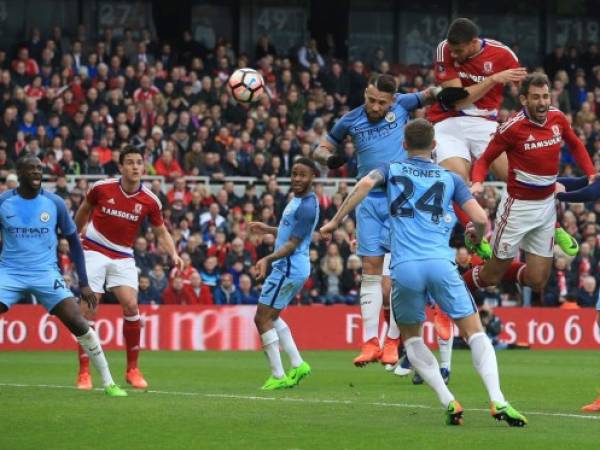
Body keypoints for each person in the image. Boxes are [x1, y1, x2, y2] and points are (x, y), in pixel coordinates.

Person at [320, 119, 527, 426]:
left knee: (412, 339)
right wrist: (475, 236)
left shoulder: (391, 169)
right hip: (441, 264)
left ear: (404, 144)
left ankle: (448, 400)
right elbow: (481, 218)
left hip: (404, 268)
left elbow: (363, 184)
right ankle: (497, 399)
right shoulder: (450, 178)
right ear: (434, 146)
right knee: (475, 333)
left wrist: (335, 221)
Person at [313, 73, 440, 367]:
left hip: (401, 197)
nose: (373, 106)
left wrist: (447, 90)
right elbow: (319, 149)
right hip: (368, 201)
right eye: (370, 99)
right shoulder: (349, 120)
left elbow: (433, 92)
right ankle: (370, 342)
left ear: (392, 101)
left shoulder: (404, 105)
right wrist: (329, 161)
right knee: (370, 270)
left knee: (399, 274)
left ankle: (393, 343)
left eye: (380, 103)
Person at [431, 17, 576, 259]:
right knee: (455, 181)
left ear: (474, 42)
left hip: (484, 122)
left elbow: (526, 91)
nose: (454, 55)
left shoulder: (503, 55)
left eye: (459, 50)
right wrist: (493, 79)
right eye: (452, 50)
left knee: (519, 177)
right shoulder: (444, 49)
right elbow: (456, 99)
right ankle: (474, 234)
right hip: (448, 121)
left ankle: (554, 226)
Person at [464, 73, 596, 305]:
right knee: (492, 275)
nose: (543, 102)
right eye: (536, 97)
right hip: (518, 208)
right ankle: (455, 289)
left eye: (546, 96)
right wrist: (477, 181)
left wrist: (591, 173)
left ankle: (497, 266)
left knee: (537, 280)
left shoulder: (557, 118)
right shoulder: (512, 128)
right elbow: (485, 159)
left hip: (546, 208)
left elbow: (575, 143)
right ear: (524, 99)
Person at [0, 156, 126, 397]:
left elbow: (74, 243)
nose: (37, 172)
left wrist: (85, 283)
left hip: (46, 274)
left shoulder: (54, 203)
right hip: (9, 273)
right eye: (32, 169)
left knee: (79, 324)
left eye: (40, 168)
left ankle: (109, 382)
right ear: (20, 172)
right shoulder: (3, 202)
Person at [74, 145, 184, 390]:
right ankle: (84, 372)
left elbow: (160, 231)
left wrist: (174, 253)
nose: (135, 167)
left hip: (123, 254)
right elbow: (83, 211)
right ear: (121, 166)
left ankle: (132, 369)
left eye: (139, 163)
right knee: (89, 308)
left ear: (144, 167)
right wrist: (74, 237)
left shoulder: (150, 200)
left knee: (132, 305)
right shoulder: (102, 188)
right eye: (130, 162)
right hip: (92, 248)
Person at [249, 158, 320, 390]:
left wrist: (267, 259)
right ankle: (298, 364)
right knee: (273, 317)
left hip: (288, 266)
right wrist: (267, 229)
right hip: (291, 266)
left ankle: (278, 376)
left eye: (303, 175)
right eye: (295, 174)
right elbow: (290, 231)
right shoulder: (299, 200)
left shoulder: (308, 206)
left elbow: (293, 243)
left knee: (262, 318)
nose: (297, 179)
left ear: (312, 178)